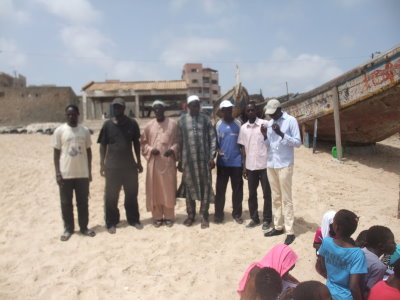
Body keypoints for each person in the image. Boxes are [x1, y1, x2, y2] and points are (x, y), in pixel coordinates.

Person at [98, 97, 143, 234]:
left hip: (129, 166)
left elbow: (136, 143)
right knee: (111, 196)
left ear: (124, 108)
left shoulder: (132, 124)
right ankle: (111, 222)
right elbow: (102, 145)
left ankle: (133, 219)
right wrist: (102, 164)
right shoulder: (107, 125)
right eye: (115, 107)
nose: (117, 109)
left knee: (131, 194)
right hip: (112, 167)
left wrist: (139, 162)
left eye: (119, 107)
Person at [52, 104, 95, 241]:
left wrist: (89, 171)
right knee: (66, 203)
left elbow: (89, 151)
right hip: (66, 174)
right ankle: (68, 229)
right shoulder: (60, 131)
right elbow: (56, 153)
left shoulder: (84, 131)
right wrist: (58, 173)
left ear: (78, 115)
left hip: (82, 174)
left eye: (74, 114)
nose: (71, 116)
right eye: (69, 114)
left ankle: (84, 227)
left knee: (83, 203)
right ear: (66, 116)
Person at [261, 99, 301, 245]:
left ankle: (290, 231)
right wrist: (265, 135)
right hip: (271, 164)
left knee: (286, 198)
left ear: (280, 109)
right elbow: (269, 146)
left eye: (273, 113)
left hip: (285, 164)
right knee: (275, 197)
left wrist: (282, 134)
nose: (271, 117)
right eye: (269, 114)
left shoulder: (291, 121)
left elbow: (298, 143)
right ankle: (278, 226)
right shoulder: (270, 123)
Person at [177, 95, 216, 229]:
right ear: (188, 106)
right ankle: (191, 215)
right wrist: (179, 161)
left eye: (197, 104)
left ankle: (204, 215)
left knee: (205, 187)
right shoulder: (181, 121)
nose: (196, 107)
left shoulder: (205, 119)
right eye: (193, 105)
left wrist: (212, 156)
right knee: (189, 187)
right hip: (188, 162)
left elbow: (212, 138)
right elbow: (179, 141)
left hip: (204, 161)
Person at [141, 99, 178, 228]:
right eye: (155, 108)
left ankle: (168, 216)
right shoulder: (148, 126)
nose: (158, 111)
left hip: (168, 164)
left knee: (168, 190)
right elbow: (143, 144)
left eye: (160, 108)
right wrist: (151, 150)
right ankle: (157, 217)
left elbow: (178, 141)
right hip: (154, 164)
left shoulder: (173, 124)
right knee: (155, 190)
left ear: (164, 110)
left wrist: (172, 150)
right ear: (153, 111)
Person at [317, 209, 367, 300]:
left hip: (329, 291)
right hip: (347, 296)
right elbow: (354, 286)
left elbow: (321, 263)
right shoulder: (357, 254)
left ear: (336, 227)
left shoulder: (327, 242)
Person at [237, 102, 272, 230]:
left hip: (264, 165)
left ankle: (267, 219)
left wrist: (265, 134)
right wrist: (244, 166)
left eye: (252, 110)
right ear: (246, 113)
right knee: (252, 194)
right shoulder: (243, 128)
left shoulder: (265, 124)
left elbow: (271, 143)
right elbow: (243, 149)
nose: (250, 112)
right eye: (248, 111)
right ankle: (254, 218)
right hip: (251, 166)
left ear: (256, 111)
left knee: (267, 194)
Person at [214, 99, 244, 224]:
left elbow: (243, 144)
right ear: (222, 111)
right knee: (220, 190)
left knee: (237, 190)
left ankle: (237, 214)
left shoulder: (238, 124)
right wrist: (217, 150)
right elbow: (214, 143)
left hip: (236, 162)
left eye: (230, 109)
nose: (228, 111)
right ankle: (219, 215)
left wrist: (244, 162)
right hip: (222, 163)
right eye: (226, 109)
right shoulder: (218, 125)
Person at [361, 225, 396, 299]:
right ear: (381, 246)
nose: (395, 245)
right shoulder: (379, 266)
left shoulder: (359, 252)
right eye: (392, 242)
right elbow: (369, 291)